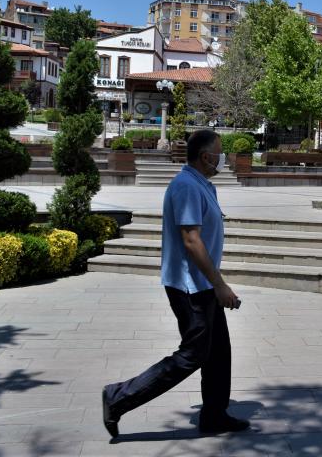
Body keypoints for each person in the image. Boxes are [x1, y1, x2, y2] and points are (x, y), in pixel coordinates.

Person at [102, 130, 248, 438]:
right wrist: (220, 285)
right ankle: (118, 397)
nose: (222, 158)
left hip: (201, 284)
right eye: (219, 153)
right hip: (189, 286)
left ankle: (214, 416)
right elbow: (191, 240)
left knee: (218, 352)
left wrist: (216, 285)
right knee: (193, 353)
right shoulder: (185, 187)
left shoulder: (201, 184)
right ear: (206, 157)